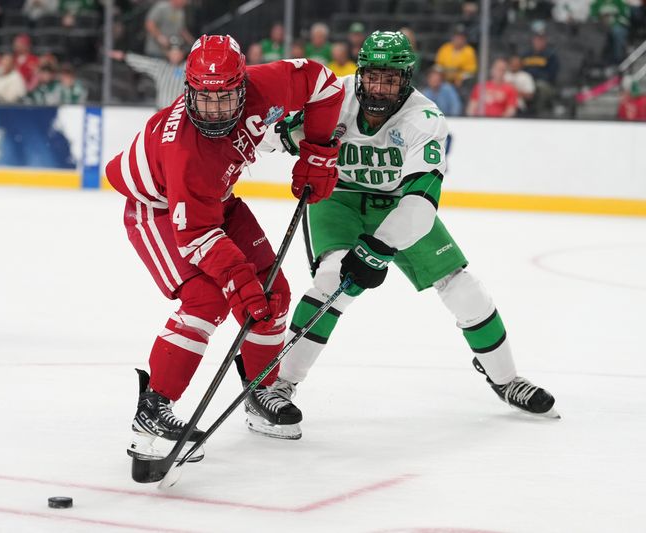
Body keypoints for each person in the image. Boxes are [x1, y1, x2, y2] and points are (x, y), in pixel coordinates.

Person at [251, 31, 558, 439]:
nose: (379, 88)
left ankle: (506, 379)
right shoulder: (333, 98)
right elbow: (269, 136)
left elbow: (421, 200)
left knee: (463, 288)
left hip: (400, 203)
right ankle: (278, 386)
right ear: (360, 74)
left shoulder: (424, 119)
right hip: (338, 198)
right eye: (373, 77)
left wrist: (378, 250)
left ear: (407, 79)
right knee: (332, 280)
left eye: (390, 79)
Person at [105, 35, 344, 457]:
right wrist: (239, 284)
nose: (214, 111)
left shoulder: (268, 83)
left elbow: (325, 83)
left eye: (225, 99)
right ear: (189, 91)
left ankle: (260, 392)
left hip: (214, 200)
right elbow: (196, 236)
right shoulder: (185, 150)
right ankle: (152, 411)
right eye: (204, 99)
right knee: (206, 298)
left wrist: (319, 151)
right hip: (158, 208)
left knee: (273, 293)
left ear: (243, 86)